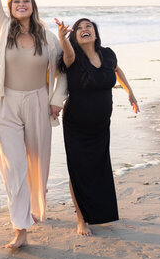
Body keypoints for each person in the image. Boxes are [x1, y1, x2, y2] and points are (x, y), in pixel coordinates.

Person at [0, 0, 67, 249]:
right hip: (5, 104)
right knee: (14, 166)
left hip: (38, 103)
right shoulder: (2, 27)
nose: (22, 3)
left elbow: (63, 71)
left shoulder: (47, 36)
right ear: (10, 6)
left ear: (33, 5)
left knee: (37, 164)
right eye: (17, 0)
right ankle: (20, 227)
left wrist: (57, 99)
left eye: (26, 0)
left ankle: (34, 208)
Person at [56, 17, 140, 236]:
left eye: (89, 27)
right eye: (80, 28)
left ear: (95, 32)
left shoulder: (108, 54)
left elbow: (117, 70)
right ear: (74, 36)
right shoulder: (73, 57)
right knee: (78, 170)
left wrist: (129, 91)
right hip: (77, 124)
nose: (85, 30)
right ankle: (81, 219)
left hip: (101, 125)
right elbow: (67, 54)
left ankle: (99, 212)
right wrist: (61, 38)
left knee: (99, 168)